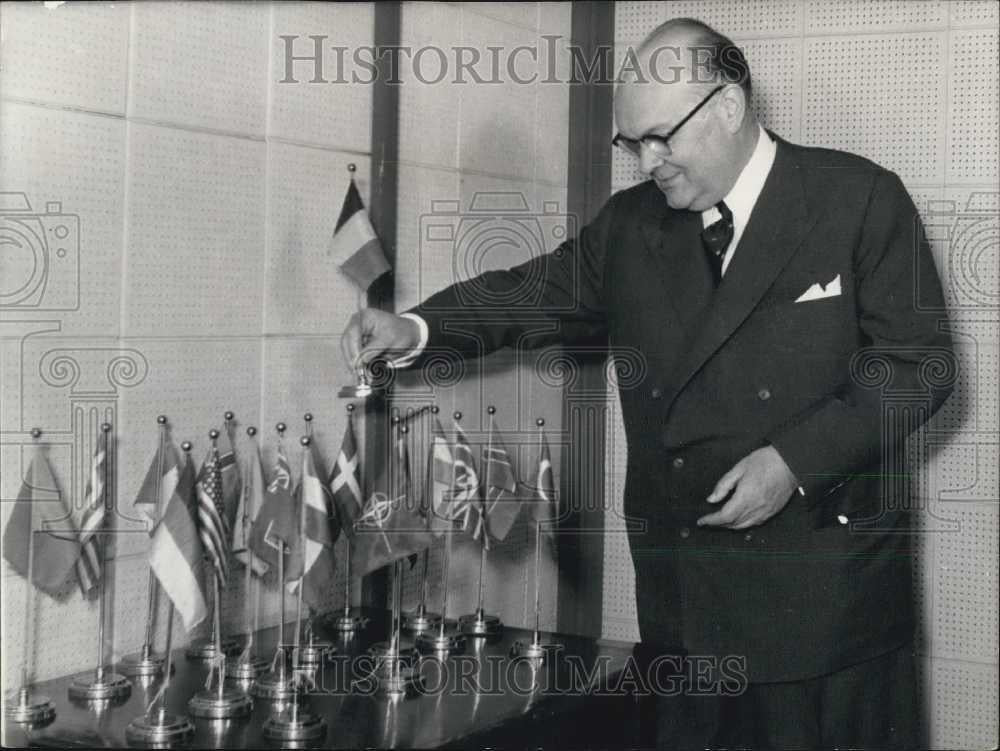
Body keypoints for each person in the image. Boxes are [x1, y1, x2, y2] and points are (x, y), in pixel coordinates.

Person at [341, 18, 953, 749]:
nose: (648, 162)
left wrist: (793, 462)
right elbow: (536, 292)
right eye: (633, 143)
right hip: (687, 611)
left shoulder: (858, 198)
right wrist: (415, 329)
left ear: (728, 105)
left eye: (662, 137)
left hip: (827, 613)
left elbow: (918, 365)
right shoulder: (633, 226)